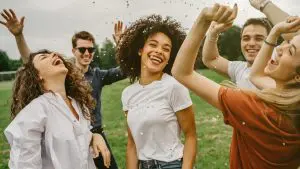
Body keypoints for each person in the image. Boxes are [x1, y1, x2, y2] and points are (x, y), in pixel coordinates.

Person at [172, 3, 300, 169]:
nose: (282, 47)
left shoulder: (257, 108)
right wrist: (274, 28)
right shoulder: (293, 104)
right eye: (246, 38)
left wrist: (203, 19)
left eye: (289, 49)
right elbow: (255, 74)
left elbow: (182, 72)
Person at [0, 9, 126, 168]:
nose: (87, 53)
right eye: (82, 49)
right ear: (73, 51)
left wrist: (95, 136)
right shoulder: (43, 102)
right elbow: (31, 64)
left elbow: (125, 70)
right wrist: (19, 37)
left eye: (91, 50)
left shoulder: (97, 77)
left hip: (90, 133)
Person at [5, 50, 111, 168]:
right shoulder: (35, 112)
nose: (54, 55)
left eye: (53, 54)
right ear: (37, 75)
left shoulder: (79, 105)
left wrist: (94, 137)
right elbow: (24, 165)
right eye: (44, 57)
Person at [116, 14, 197, 169]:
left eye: (166, 49)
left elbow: (191, 136)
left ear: (169, 58)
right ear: (140, 50)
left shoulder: (174, 87)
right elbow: (132, 144)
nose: (159, 51)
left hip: (172, 165)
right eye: (153, 45)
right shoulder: (127, 93)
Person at [202, 11, 272, 89]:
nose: (251, 43)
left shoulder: (279, 72)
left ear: (271, 41)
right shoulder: (239, 69)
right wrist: (213, 33)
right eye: (246, 38)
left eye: (259, 38)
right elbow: (210, 59)